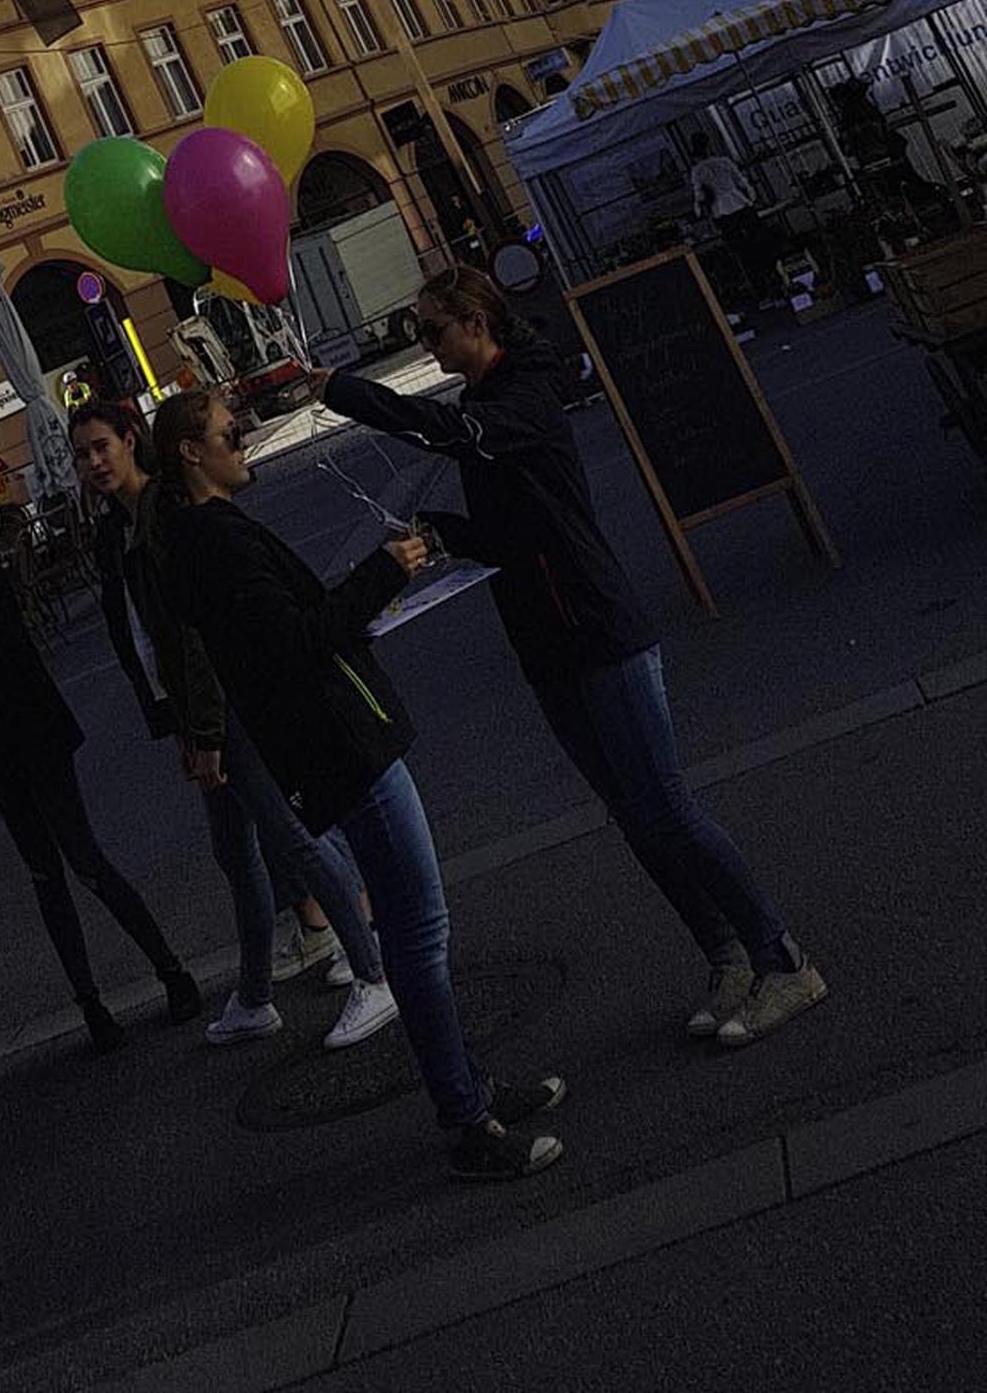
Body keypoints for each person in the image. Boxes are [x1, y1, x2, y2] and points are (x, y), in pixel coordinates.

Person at [310, 272, 825, 1050]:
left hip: (596, 622)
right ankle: (725, 957)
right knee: (634, 818)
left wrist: (347, 392)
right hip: (545, 640)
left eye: (431, 329)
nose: (424, 344)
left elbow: (459, 435)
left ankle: (782, 957)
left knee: (666, 807)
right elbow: (515, 530)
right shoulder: (491, 404)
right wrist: (441, 530)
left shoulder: (522, 395)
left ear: (477, 322)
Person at [154, 387, 565, 1183]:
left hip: (335, 742)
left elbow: (280, 635)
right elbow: (297, 642)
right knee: (417, 930)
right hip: (344, 747)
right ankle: (465, 1115)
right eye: (225, 432)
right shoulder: (218, 542)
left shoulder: (203, 537)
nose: (241, 438)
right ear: (189, 453)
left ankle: (472, 1089)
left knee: (419, 925)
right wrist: (382, 572)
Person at [70, 395, 397, 1050]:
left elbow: (193, 634)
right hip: (201, 713)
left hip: (228, 704)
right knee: (237, 849)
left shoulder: (164, 514)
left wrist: (208, 730)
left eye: (101, 445)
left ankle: (374, 970)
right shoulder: (120, 527)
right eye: (82, 454)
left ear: (133, 440)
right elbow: (145, 638)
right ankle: (254, 995)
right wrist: (177, 721)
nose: (92, 462)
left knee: (292, 835)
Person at [0, 461, 199, 1051]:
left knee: (48, 878)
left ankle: (92, 1005)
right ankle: (169, 969)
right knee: (88, 859)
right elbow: (19, 658)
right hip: (38, 739)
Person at [685, 130, 782, 322]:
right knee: (763, 246)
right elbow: (743, 183)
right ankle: (778, 286)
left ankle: (762, 294)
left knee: (744, 255)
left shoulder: (697, 171)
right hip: (742, 205)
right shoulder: (724, 161)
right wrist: (751, 201)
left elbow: (700, 199)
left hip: (723, 213)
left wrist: (702, 212)